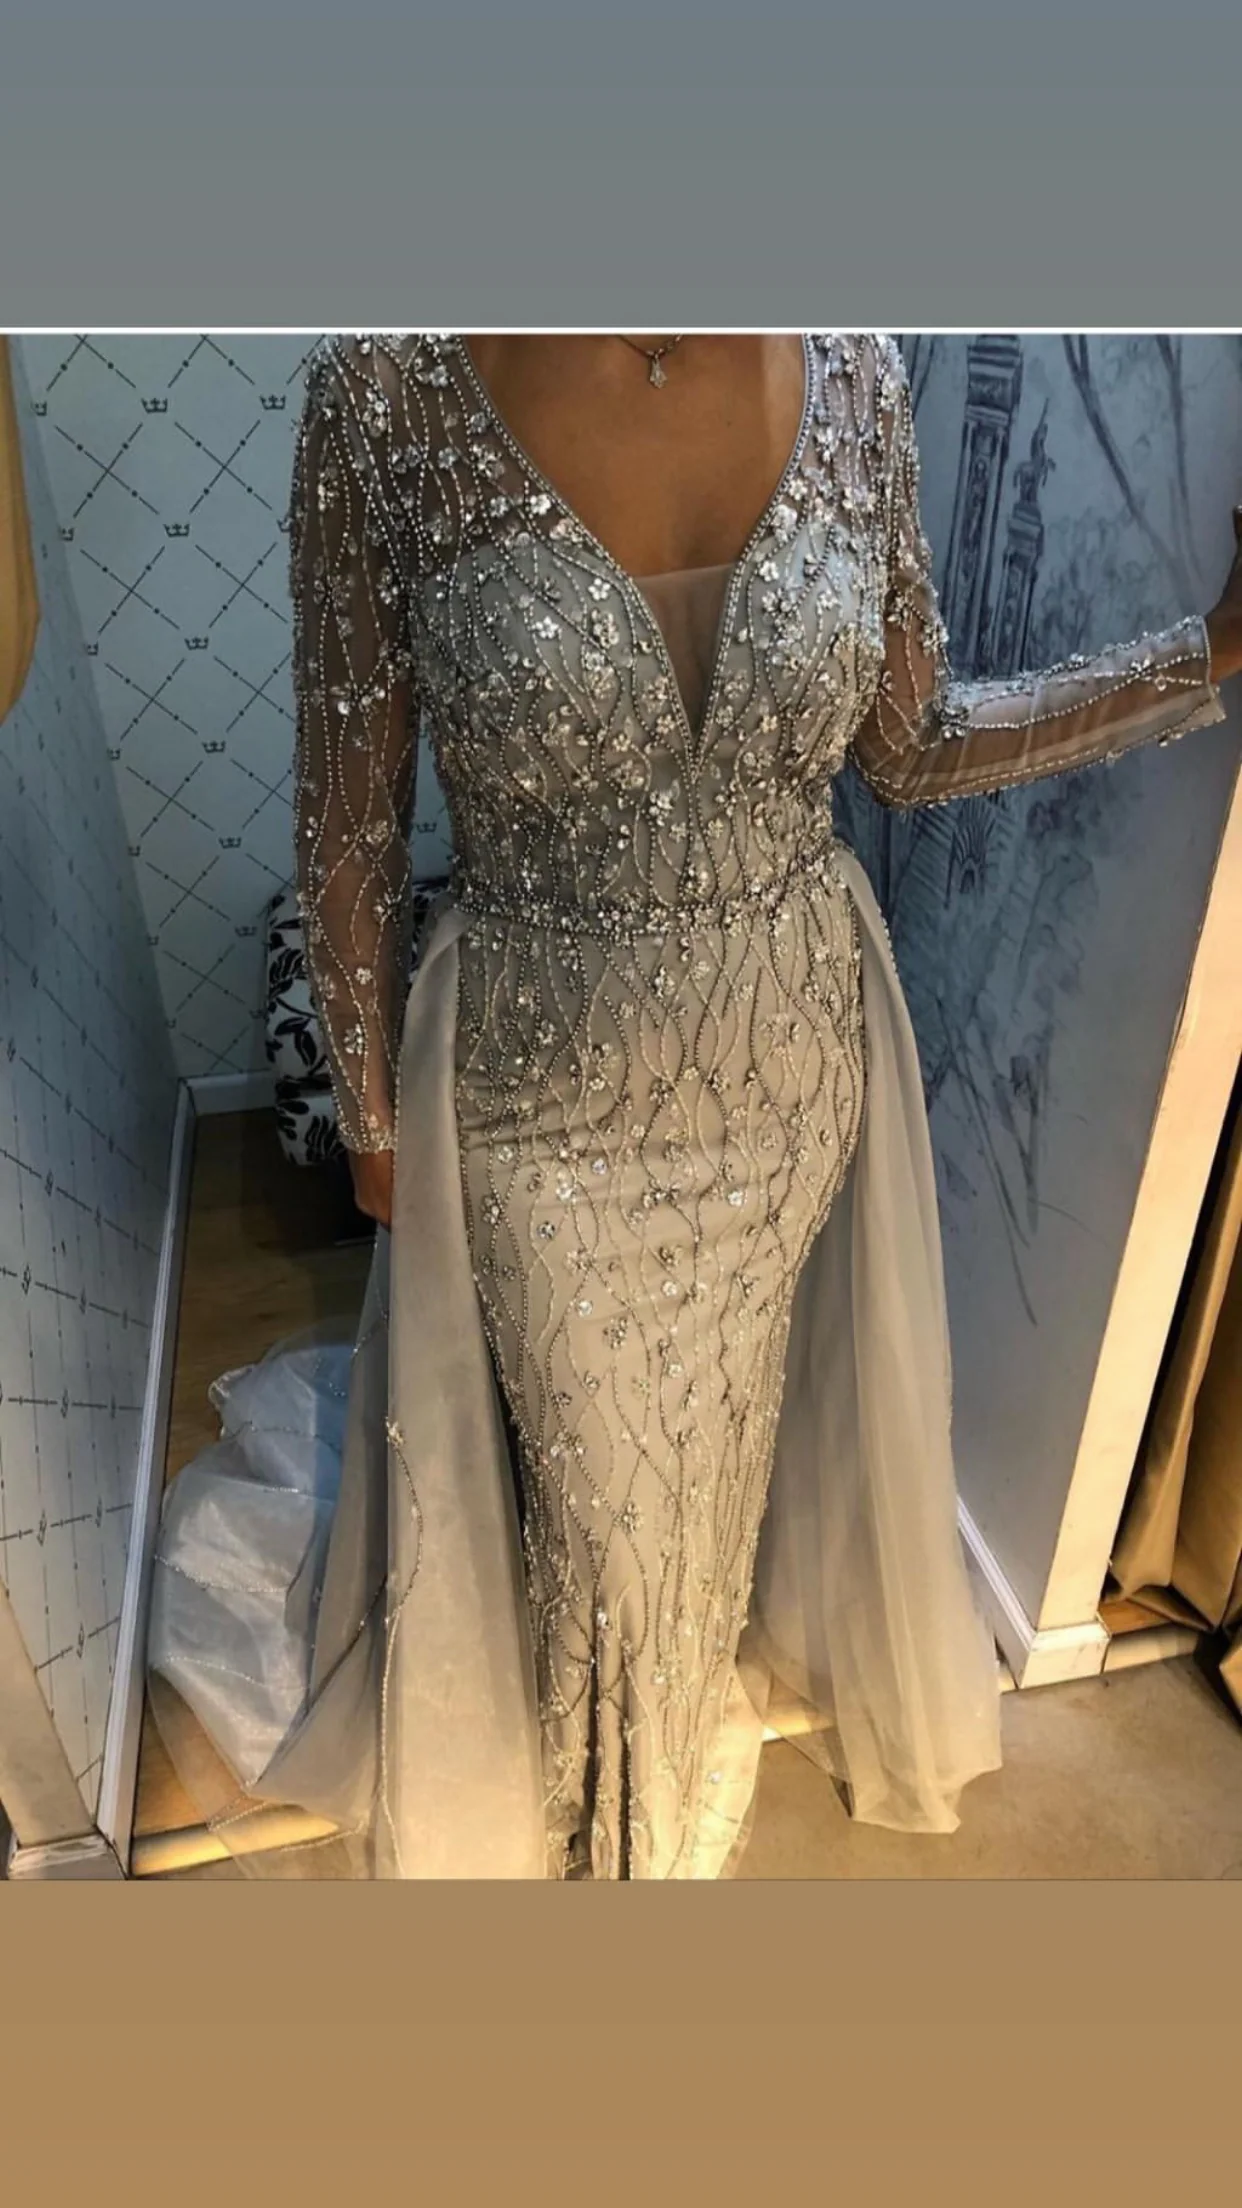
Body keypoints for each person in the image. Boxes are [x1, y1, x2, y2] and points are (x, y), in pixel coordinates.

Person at [145, 332, 1242, 1880]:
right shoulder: (384, 390)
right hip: (533, 1075)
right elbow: (348, 817)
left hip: (786, 1057)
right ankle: (613, 1815)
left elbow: (911, 746)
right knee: (600, 1482)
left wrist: (1202, 653)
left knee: (707, 1463)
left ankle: (639, 1762)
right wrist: (371, 1119)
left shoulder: (855, 371)